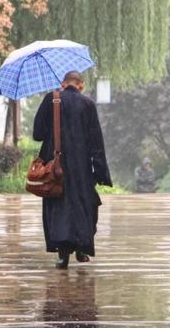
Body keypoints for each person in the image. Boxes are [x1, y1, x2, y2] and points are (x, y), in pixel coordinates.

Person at [33, 71, 112, 269]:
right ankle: (82, 248)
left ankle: (62, 255)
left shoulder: (51, 100)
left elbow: (37, 134)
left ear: (63, 84)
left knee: (58, 207)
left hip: (55, 167)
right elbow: (96, 142)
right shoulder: (88, 105)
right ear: (81, 85)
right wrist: (101, 173)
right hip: (81, 168)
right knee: (84, 206)